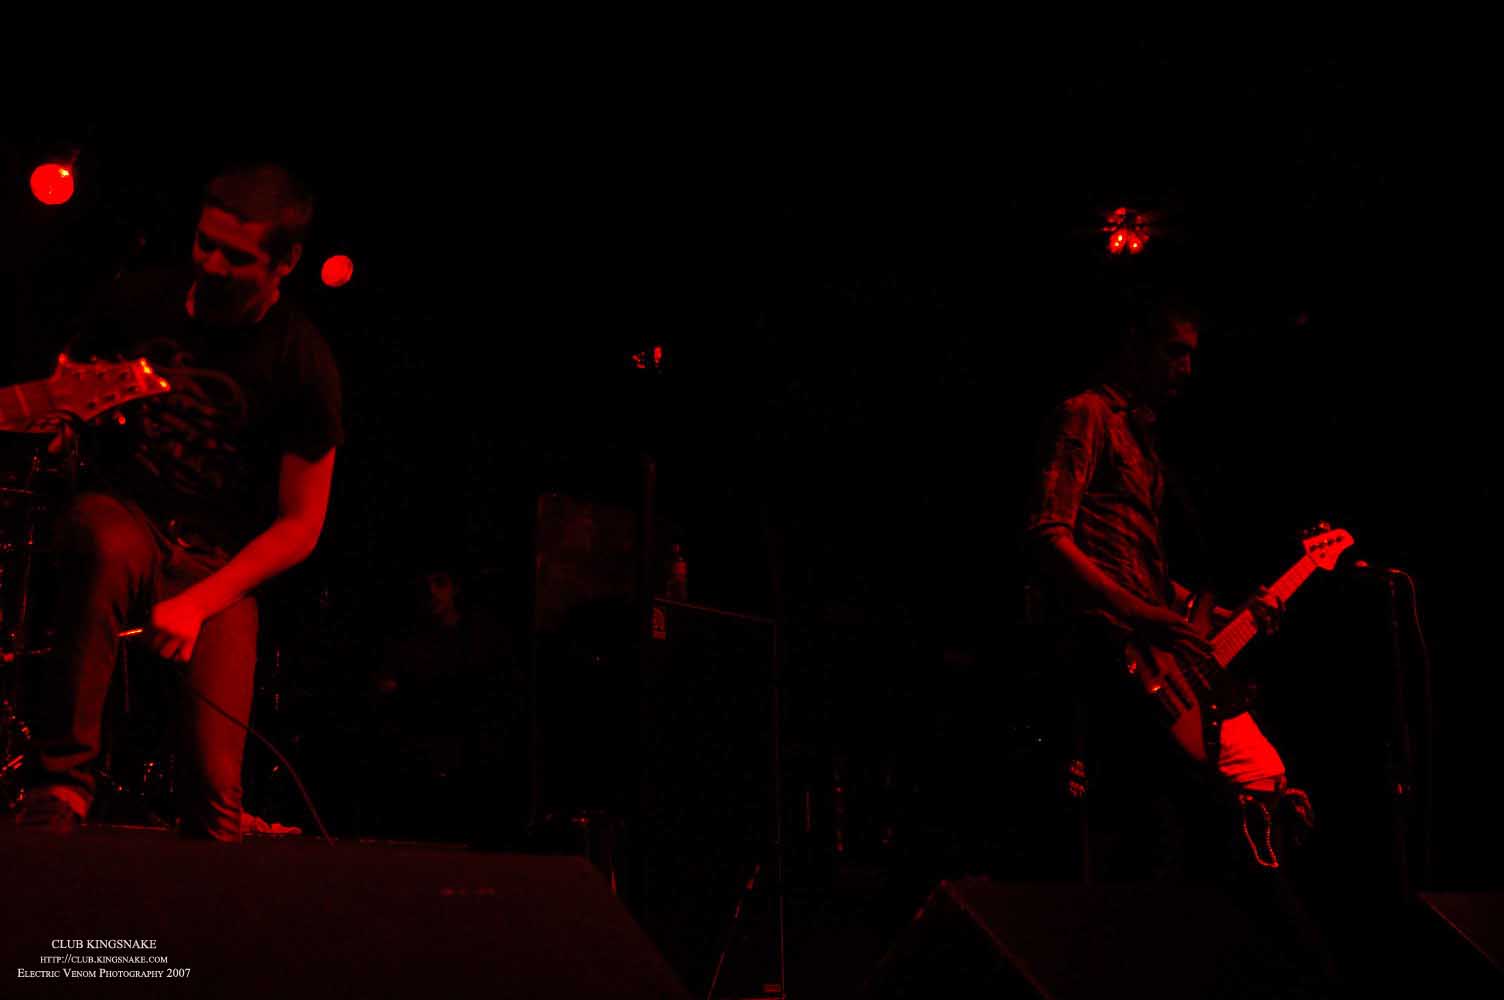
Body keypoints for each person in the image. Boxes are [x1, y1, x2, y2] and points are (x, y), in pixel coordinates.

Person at [16, 163, 342, 842]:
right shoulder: (137, 300)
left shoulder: (303, 362)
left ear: (286, 263)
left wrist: (199, 602)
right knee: (104, 543)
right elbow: (65, 384)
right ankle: (60, 786)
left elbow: (301, 526)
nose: (211, 264)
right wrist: (60, 427)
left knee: (214, 812)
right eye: (204, 243)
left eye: (236, 256)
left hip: (216, 562)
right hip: (125, 512)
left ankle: (227, 815)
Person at [1022, 285, 1336, 981]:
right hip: (1110, 654)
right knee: (1194, 821)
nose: (1187, 370)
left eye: (1192, 356)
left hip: (1151, 651)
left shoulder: (1147, 442)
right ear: (1134, 343)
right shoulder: (1085, 415)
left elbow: (1144, 570)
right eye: (1176, 352)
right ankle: (1303, 968)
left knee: (1188, 825)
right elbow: (1048, 532)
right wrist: (1136, 615)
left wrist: (1225, 617)